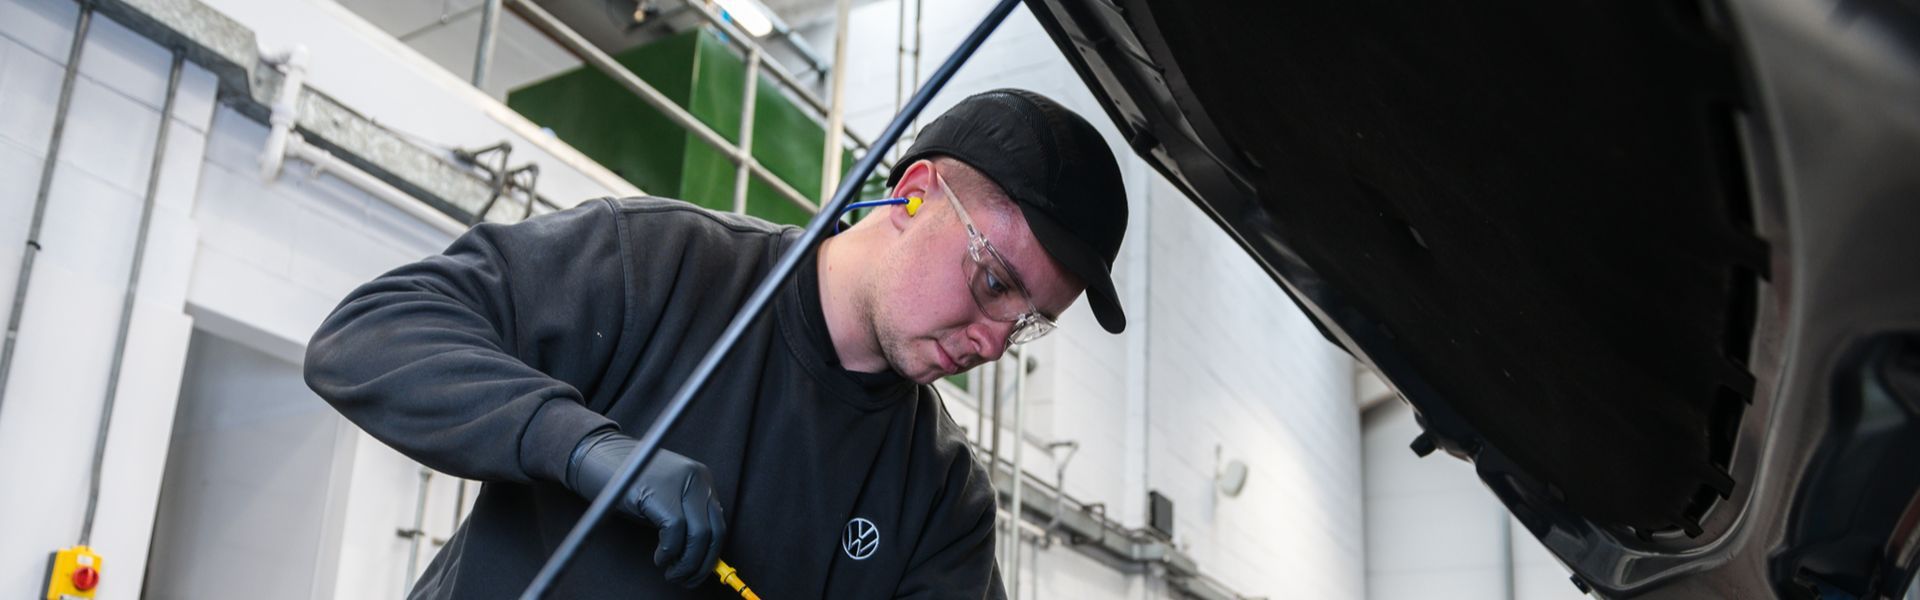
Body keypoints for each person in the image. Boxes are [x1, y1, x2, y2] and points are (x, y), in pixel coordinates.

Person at [304, 88, 1127, 599]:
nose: (994, 340)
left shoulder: (942, 501)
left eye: (1027, 323)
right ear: (913, 194)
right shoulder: (662, 265)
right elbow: (373, 332)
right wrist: (589, 451)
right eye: (992, 281)